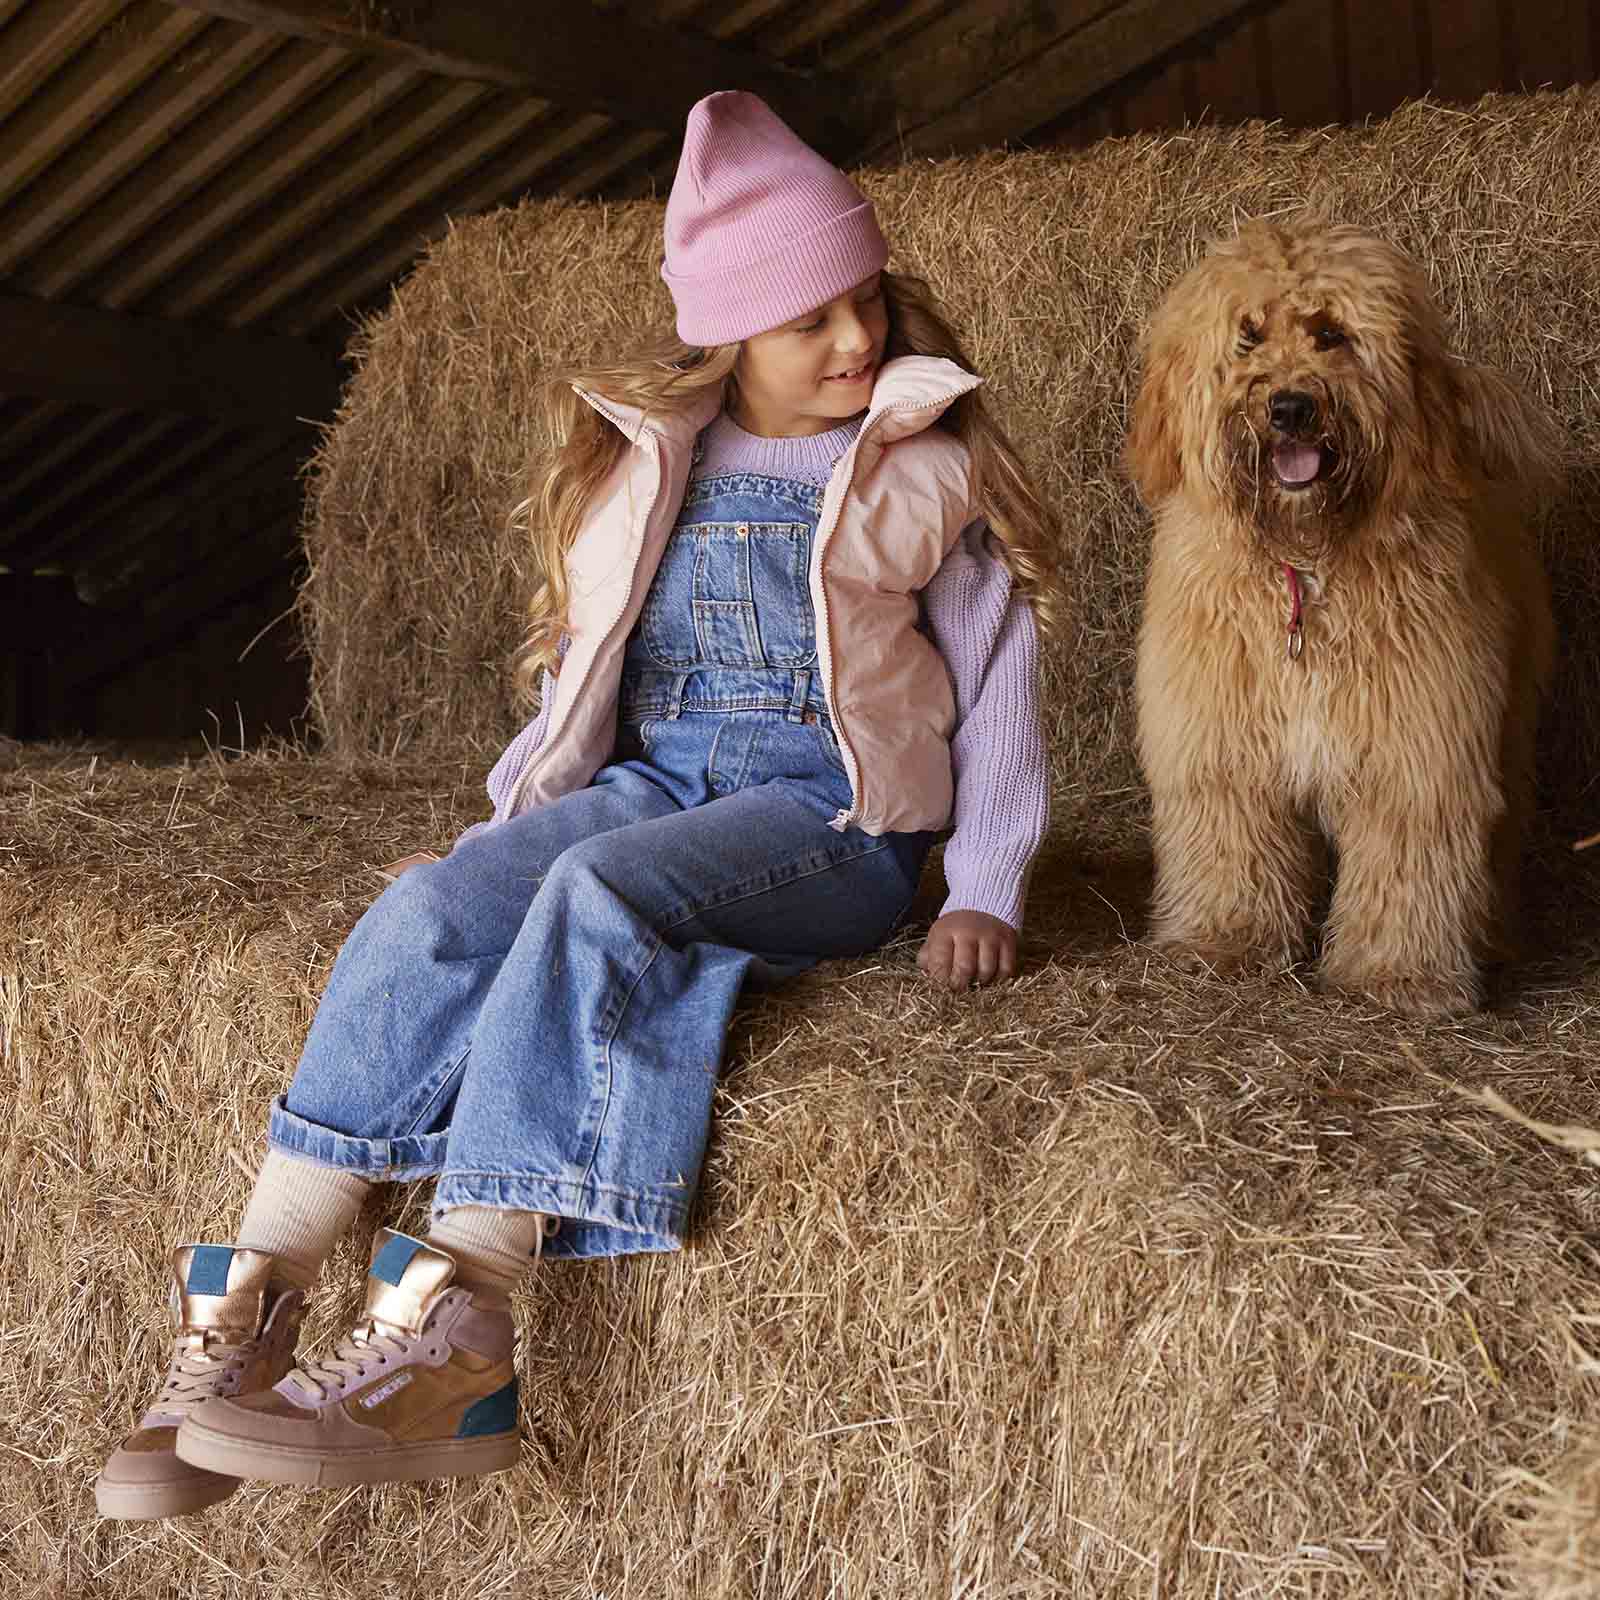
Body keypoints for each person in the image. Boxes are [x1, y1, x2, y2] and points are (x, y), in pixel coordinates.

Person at [95, 90, 1061, 1521]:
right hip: (652, 783)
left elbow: (998, 682)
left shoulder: (928, 466)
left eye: (867, 303)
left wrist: (985, 881)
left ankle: (458, 1330)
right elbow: (580, 679)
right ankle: (240, 1332)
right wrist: (503, 824)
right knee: (433, 903)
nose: (858, 340)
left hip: (835, 823)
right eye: (815, 321)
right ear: (731, 331)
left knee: (596, 900)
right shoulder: (643, 461)